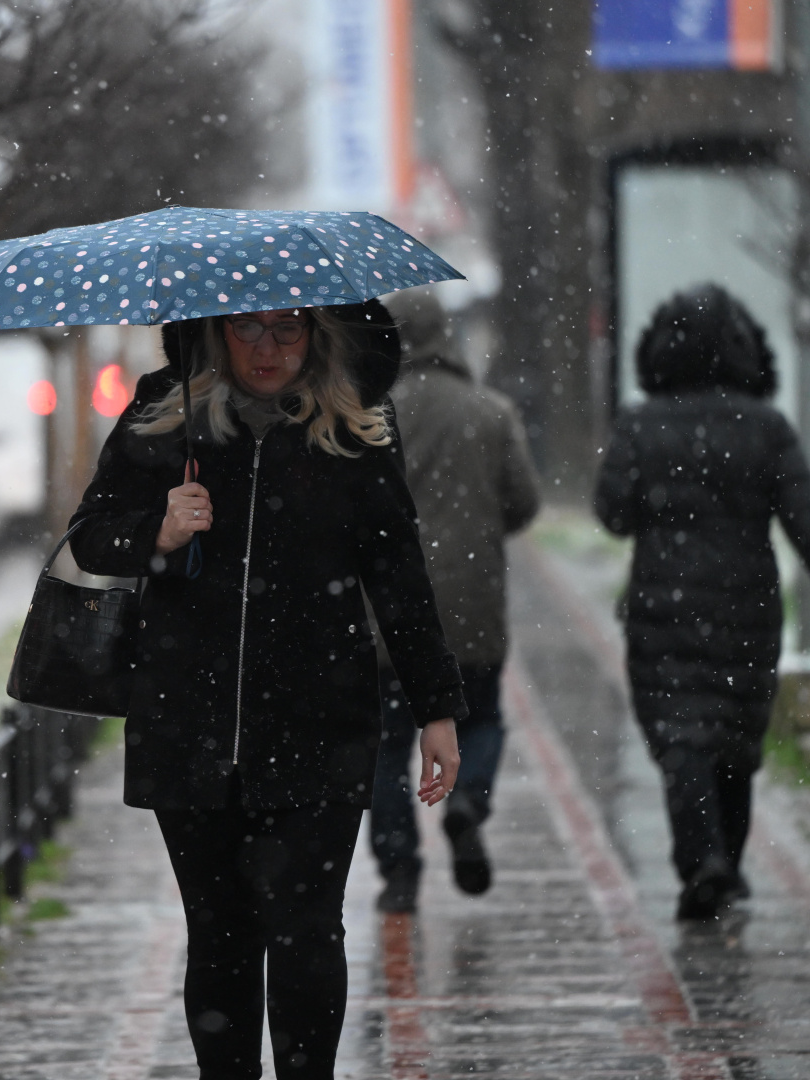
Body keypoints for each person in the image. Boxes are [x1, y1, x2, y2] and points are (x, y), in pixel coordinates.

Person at [69, 301, 467, 1079]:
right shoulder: (163, 413)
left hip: (319, 726)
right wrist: (157, 526)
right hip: (189, 725)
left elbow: (400, 579)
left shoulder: (354, 430)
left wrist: (438, 709)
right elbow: (90, 535)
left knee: (307, 930)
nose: (267, 347)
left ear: (318, 336)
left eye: (288, 329)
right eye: (247, 327)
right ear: (214, 330)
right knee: (218, 934)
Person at [594, 285, 810, 920]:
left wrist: (655, 499)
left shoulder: (640, 423)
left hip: (663, 605)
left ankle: (702, 861)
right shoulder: (766, 428)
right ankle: (726, 863)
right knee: (736, 742)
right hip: (746, 609)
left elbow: (612, 513)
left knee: (680, 738)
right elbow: (809, 518)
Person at [367, 287, 541, 913]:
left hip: (387, 616)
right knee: (483, 718)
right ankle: (468, 801)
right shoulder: (490, 413)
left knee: (385, 746)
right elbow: (523, 505)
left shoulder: (370, 414)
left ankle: (399, 872)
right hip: (471, 606)